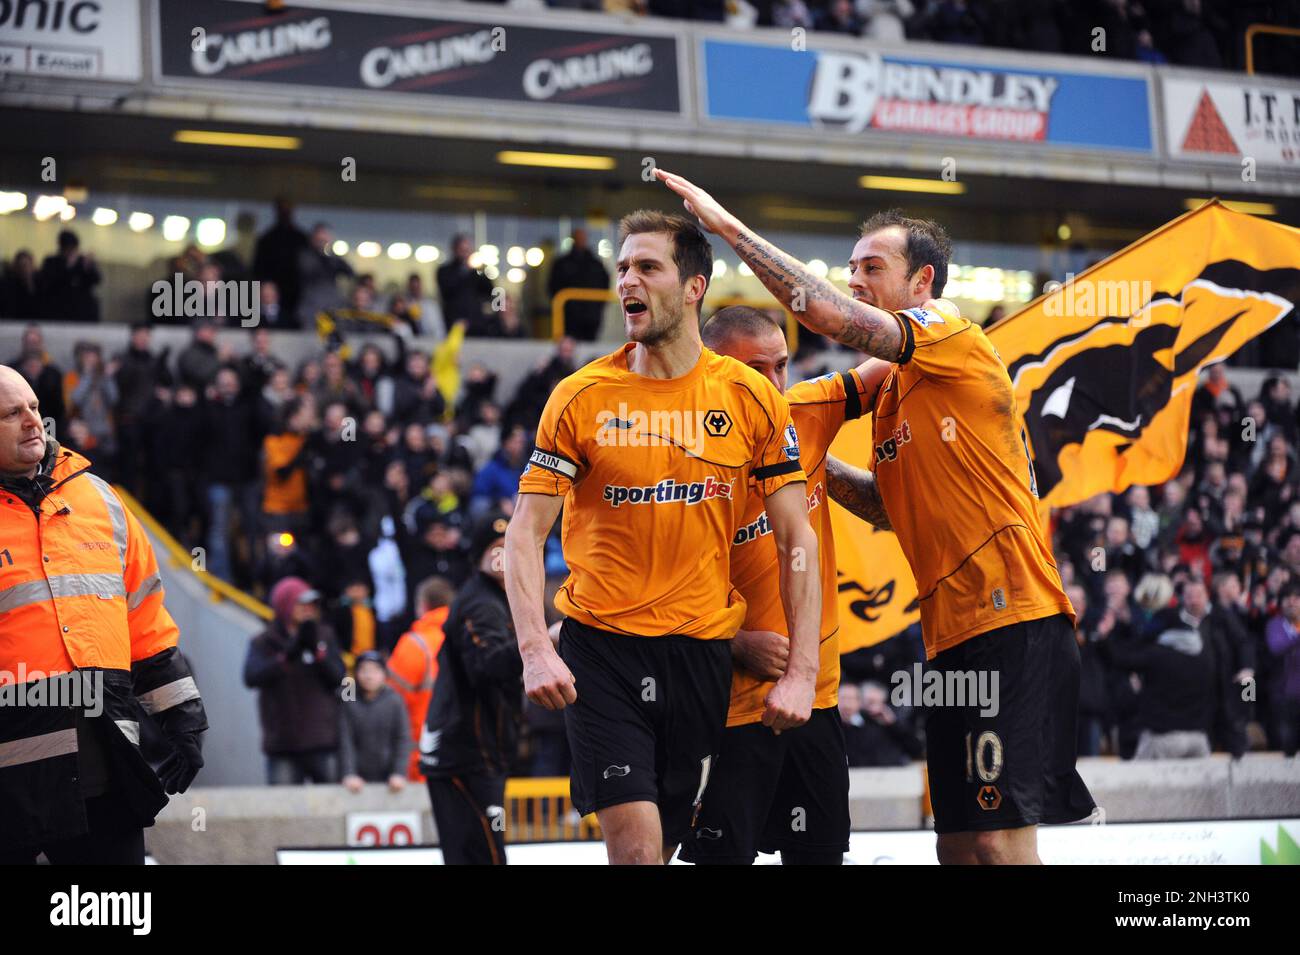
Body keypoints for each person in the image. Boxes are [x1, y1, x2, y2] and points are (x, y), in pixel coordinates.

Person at [655, 169, 1093, 864]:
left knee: (999, 840)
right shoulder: (890, 396)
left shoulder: (950, 336)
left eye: (872, 267)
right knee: (957, 844)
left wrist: (727, 230)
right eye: (850, 266)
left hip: (1014, 618)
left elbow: (827, 313)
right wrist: (792, 461)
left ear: (922, 283)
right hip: (947, 637)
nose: (855, 279)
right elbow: (889, 510)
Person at [505, 210, 821, 865]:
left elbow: (798, 538)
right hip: (603, 653)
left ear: (693, 286)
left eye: (647, 267)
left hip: (701, 658)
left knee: (669, 847)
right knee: (639, 851)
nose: (628, 281)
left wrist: (802, 672)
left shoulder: (751, 399)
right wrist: (535, 646)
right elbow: (523, 535)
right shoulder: (580, 396)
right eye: (622, 268)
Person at [680, 305, 872, 866]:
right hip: (730, 712)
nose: (772, 383)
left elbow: (906, 354)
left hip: (816, 702)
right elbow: (656, 596)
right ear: (713, 369)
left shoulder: (803, 414)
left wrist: (923, 303)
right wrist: (736, 644)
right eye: (754, 369)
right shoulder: (680, 458)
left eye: (781, 366)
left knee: (817, 857)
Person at [0, 365, 207, 864]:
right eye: (11, 414)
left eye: (33, 408)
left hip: (103, 764)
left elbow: (146, 621)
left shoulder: (100, 500)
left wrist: (183, 719)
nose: (33, 422)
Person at [423, 514, 523, 865]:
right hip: (466, 755)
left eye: (509, 548)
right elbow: (486, 666)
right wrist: (540, 644)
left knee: (471, 855)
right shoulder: (482, 602)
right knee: (487, 856)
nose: (502, 558)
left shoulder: (499, 598)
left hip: (472, 753)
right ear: (479, 556)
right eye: (495, 550)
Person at [243, 576, 346, 784]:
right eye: (302, 603)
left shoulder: (324, 635)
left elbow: (338, 678)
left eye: (312, 604)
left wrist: (318, 654)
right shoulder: (264, 641)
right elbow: (251, 677)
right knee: (282, 811)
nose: (309, 609)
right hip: (283, 743)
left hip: (321, 740)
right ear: (285, 605)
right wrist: (286, 657)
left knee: (330, 808)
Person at [1104, 577, 1218, 759]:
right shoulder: (1204, 654)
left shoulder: (1157, 654)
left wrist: (1105, 636)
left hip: (1163, 737)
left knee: (1140, 786)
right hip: (1200, 738)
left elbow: (1120, 659)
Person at [388, 576, 453, 780]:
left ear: (422, 606)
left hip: (420, 754)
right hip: (463, 754)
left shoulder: (413, 645)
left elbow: (392, 701)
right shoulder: (467, 635)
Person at [339, 651, 411, 794]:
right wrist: (349, 773)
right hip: (358, 778)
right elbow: (345, 739)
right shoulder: (349, 700)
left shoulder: (395, 701)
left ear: (384, 674)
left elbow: (403, 739)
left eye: (374, 671)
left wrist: (399, 772)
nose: (369, 676)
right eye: (363, 670)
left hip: (389, 777)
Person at [548, 228, 611, 341]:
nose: (581, 240)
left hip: (592, 317)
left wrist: (597, 308)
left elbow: (605, 286)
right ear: (573, 239)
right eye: (579, 237)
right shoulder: (562, 264)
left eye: (583, 237)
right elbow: (553, 287)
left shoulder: (596, 264)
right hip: (569, 317)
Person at [436, 235, 494, 336]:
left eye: (467, 250)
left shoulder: (477, 272)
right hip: (454, 323)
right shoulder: (445, 271)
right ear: (455, 250)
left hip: (476, 325)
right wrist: (464, 270)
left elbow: (489, 290)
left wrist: (480, 270)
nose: (465, 253)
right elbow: (447, 291)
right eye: (462, 250)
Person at [37, 229, 101, 322]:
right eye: (67, 248)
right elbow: (50, 283)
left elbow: (96, 280)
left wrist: (88, 267)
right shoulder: (51, 262)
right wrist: (68, 266)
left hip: (81, 312)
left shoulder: (82, 262)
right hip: (58, 310)